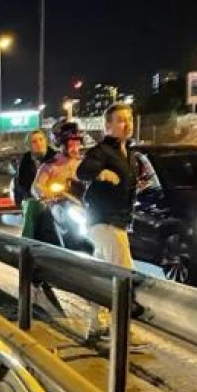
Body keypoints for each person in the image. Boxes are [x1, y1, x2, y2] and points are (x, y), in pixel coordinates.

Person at [75, 103, 143, 339]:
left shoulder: (131, 154)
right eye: (121, 120)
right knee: (124, 274)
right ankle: (121, 331)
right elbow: (82, 171)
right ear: (108, 126)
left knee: (102, 275)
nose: (128, 124)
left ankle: (96, 325)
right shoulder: (102, 151)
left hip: (117, 222)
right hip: (105, 222)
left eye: (129, 119)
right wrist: (101, 173)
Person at [14, 129, 58, 243]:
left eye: (41, 140)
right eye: (34, 141)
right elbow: (21, 183)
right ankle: (27, 245)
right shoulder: (25, 160)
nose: (38, 144)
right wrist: (32, 195)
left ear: (46, 141)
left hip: (56, 198)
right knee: (31, 206)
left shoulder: (55, 158)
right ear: (30, 145)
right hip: (34, 199)